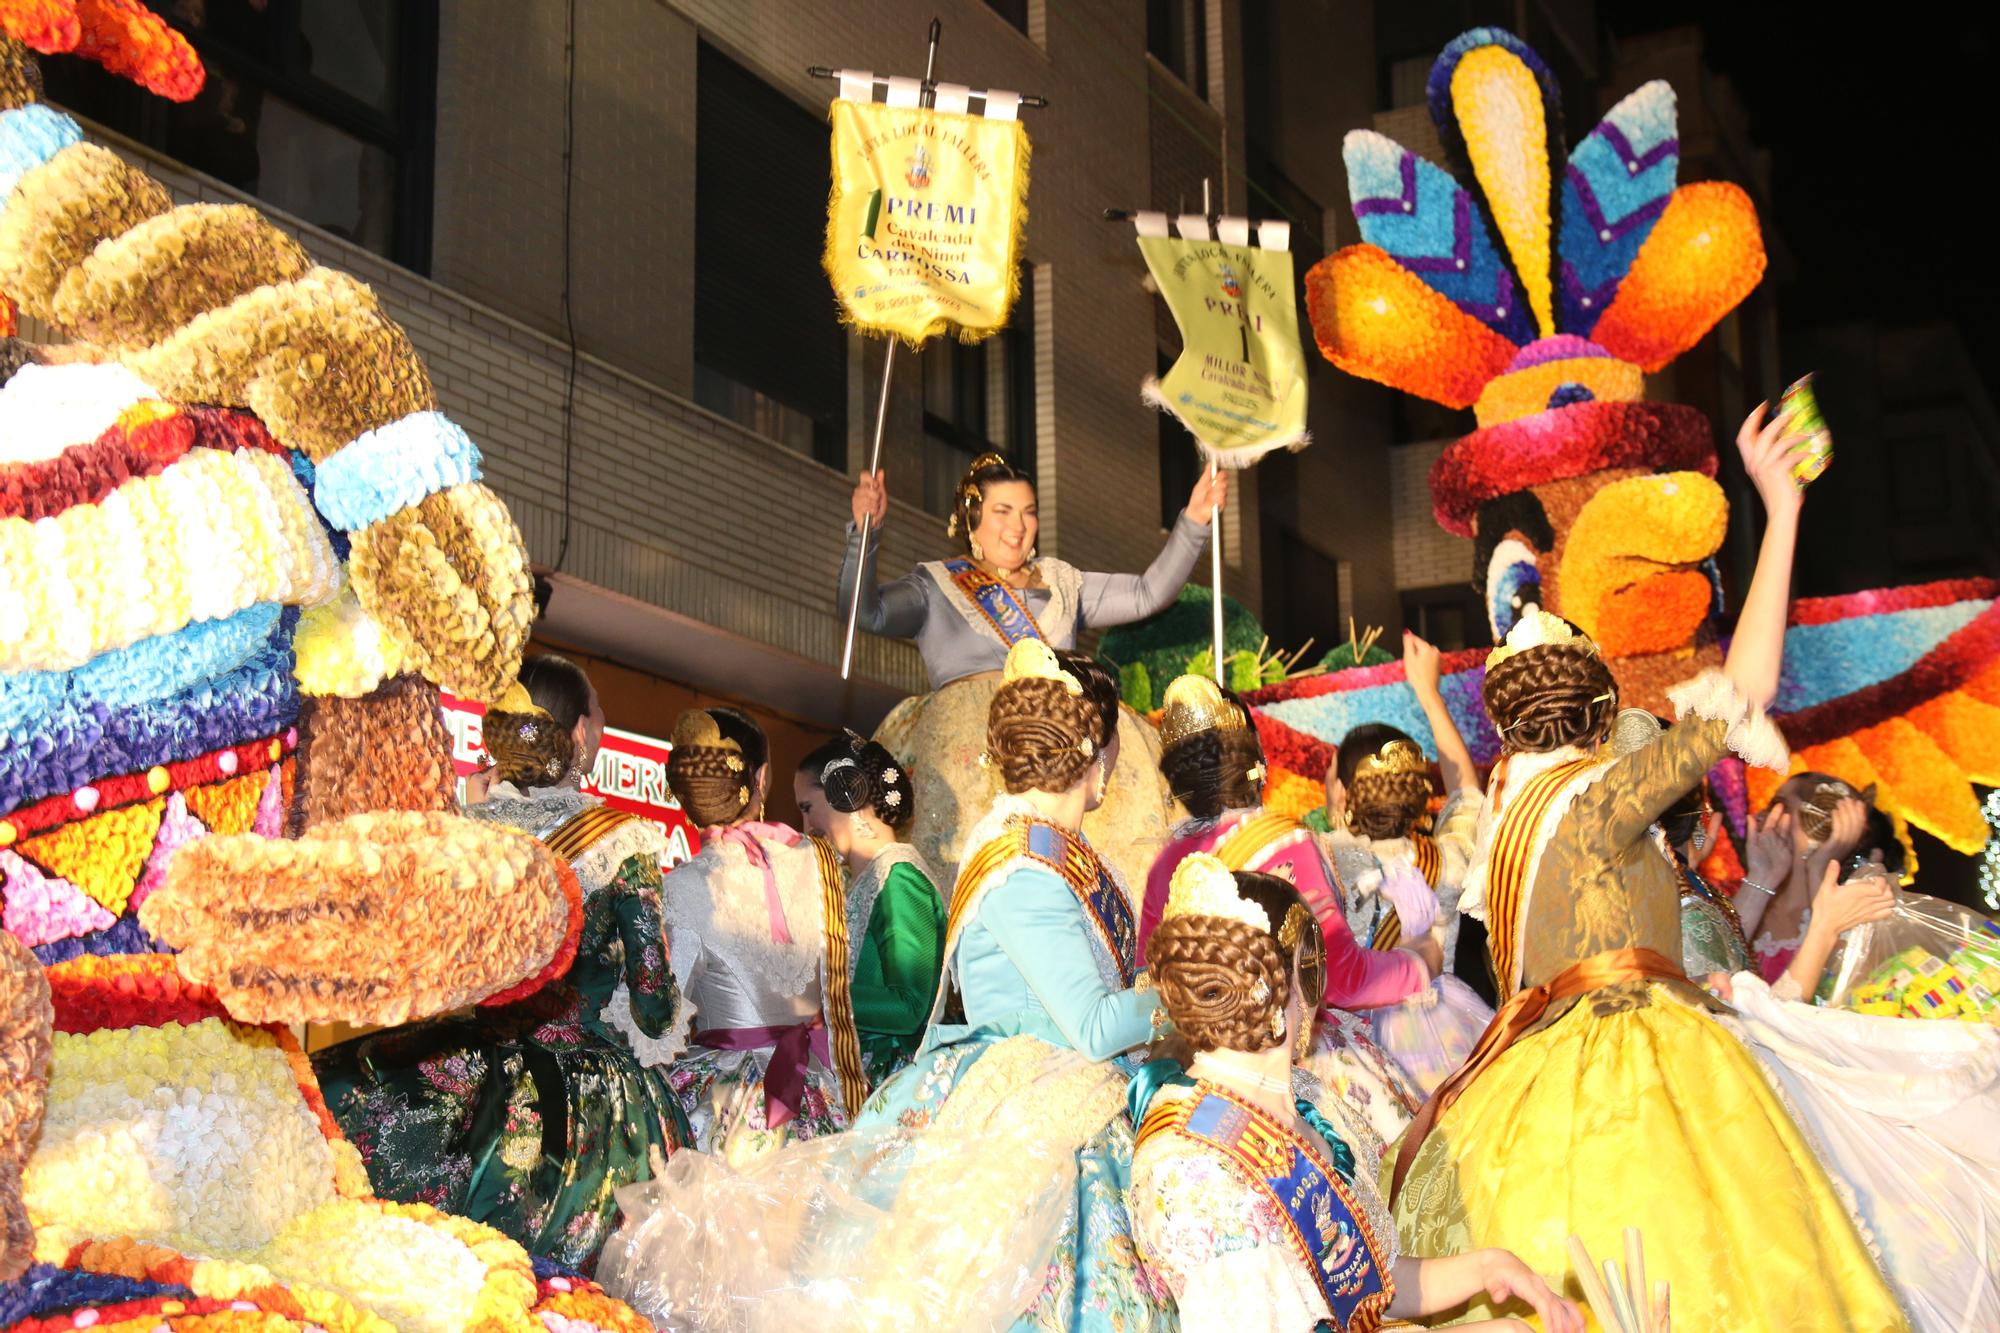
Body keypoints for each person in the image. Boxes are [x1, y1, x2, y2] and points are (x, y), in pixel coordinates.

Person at [1389, 404, 1907, 1329]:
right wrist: (1781, 513)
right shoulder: (1599, 796)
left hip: (1525, 1098)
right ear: (1598, 718)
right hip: (1642, 1081)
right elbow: (1741, 695)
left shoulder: (1504, 812)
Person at [601, 640, 1172, 1331]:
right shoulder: (1006, 865)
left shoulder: (889, 872)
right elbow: (1069, 1017)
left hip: (852, 1072)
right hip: (1002, 1084)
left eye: (812, 806)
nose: (807, 820)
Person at [313, 653, 692, 1270]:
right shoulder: (621, 839)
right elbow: (652, 1003)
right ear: (577, 735)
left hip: (456, 1061)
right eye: (597, 715)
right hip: (579, 1098)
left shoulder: (465, 824)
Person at [1131, 853, 1585, 1333]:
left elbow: (1371, 1291)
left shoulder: (1303, 1100)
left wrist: (1489, 1266)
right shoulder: (1192, 1170)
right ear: (1301, 979)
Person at [841, 453, 1225, 895]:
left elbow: (1146, 593)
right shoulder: (935, 585)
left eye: (1029, 512)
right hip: (967, 755)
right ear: (972, 518)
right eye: (1002, 511)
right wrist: (864, 534)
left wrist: (1194, 520)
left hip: (1063, 748)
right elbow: (863, 611)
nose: (1018, 526)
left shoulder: (1062, 582)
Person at [1139, 672, 1434, 1143]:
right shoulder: (1287, 843)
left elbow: (1151, 985)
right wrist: (1420, 962)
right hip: (1288, 1065)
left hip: (1204, 1073)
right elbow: (1339, 979)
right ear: (1258, 763)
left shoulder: (1165, 865)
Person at [660, 705, 860, 1163]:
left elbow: (665, 1016)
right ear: (764, 778)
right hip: (816, 1090)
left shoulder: (687, 885)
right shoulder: (821, 862)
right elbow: (838, 990)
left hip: (727, 1101)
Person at [1320, 634, 1495, 1095]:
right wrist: (1430, 695)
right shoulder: (1447, 859)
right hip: (1449, 1044)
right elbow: (1468, 797)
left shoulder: (1323, 860)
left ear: (1344, 793)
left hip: (1352, 1060)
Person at [792, 731, 944, 1087]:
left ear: (845, 791)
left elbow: (909, 1006)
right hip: (859, 1076)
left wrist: (813, 996)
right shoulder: (864, 881)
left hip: (890, 1085)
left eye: (807, 808)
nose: (806, 828)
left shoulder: (900, 877)